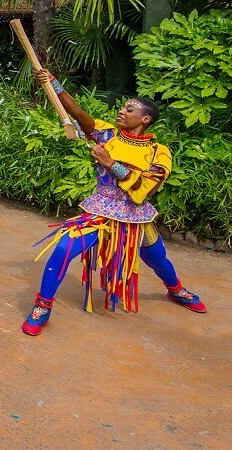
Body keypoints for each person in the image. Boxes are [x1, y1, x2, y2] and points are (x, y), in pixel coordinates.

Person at [21, 69, 206, 336]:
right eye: (123, 107)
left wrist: (110, 163)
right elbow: (79, 115)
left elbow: (146, 188)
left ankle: (175, 289)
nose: (122, 111)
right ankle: (43, 306)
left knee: (158, 260)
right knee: (62, 250)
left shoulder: (159, 152)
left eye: (130, 109)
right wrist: (55, 85)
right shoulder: (107, 135)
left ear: (145, 119)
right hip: (99, 210)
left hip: (135, 218)